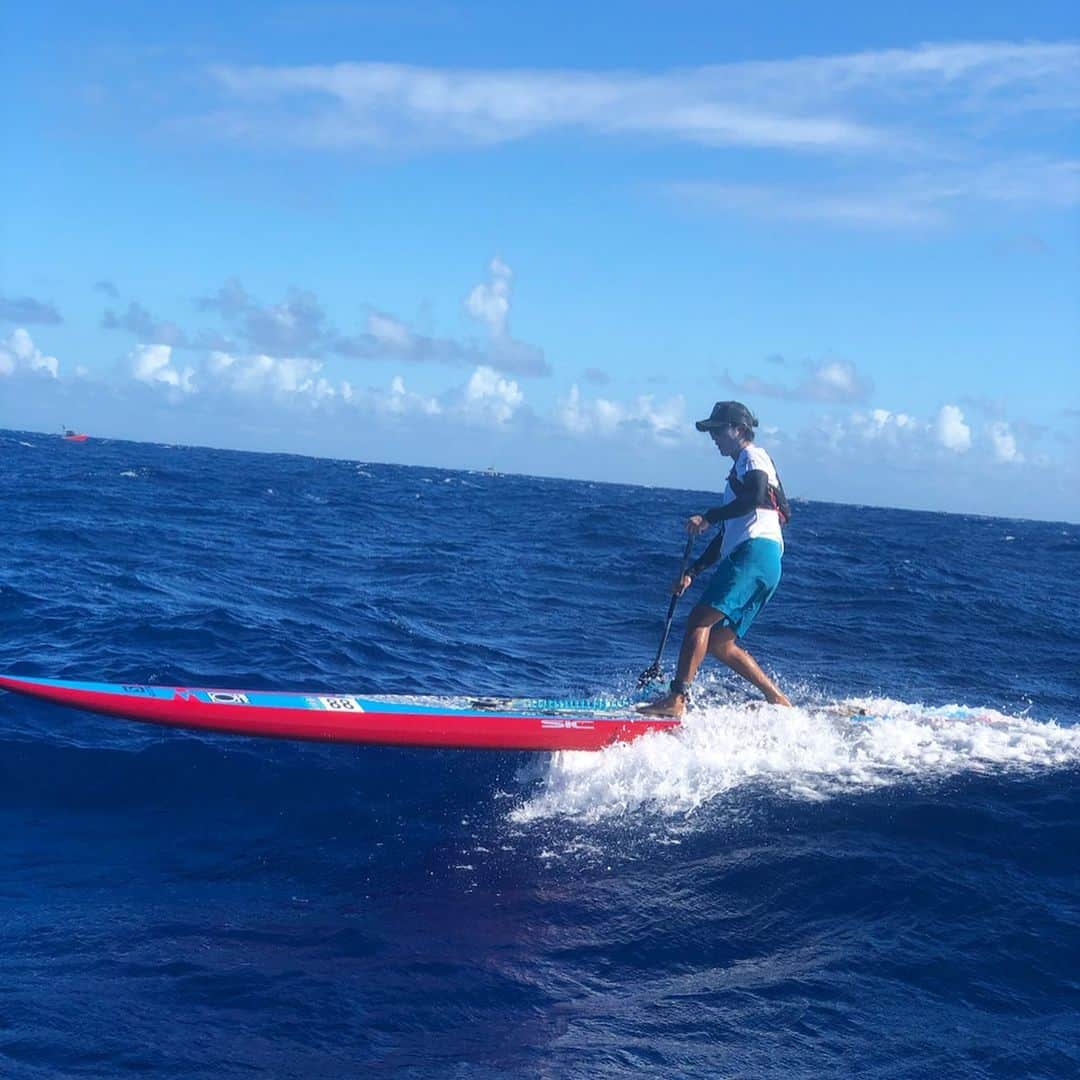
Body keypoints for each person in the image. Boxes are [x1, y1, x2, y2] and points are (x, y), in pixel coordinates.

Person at [640, 401, 792, 717]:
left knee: (699, 620)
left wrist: (708, 517)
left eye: (717, 430)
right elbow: (730, 532)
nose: (714, 438)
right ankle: (779, 702)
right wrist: (692, 572)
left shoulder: (752, 456)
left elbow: (754, 497)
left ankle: (675, 700)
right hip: (767, 561)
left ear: (738, 429)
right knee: (721, 642)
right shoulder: (743, 470)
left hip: (754, 554)